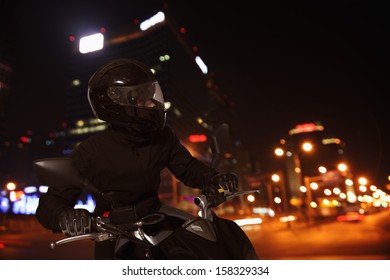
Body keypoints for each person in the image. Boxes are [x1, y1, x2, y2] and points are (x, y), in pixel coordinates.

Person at [35, 58, 240, 259]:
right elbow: (50, 203)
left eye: (151, 96)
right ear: (117, 104)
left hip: (158, 218)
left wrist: (214, 179)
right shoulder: (91, 151)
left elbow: (187, 168)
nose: (152, 104)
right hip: (111, 229)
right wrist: (67, 217)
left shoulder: (163, 136)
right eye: (142, 99)